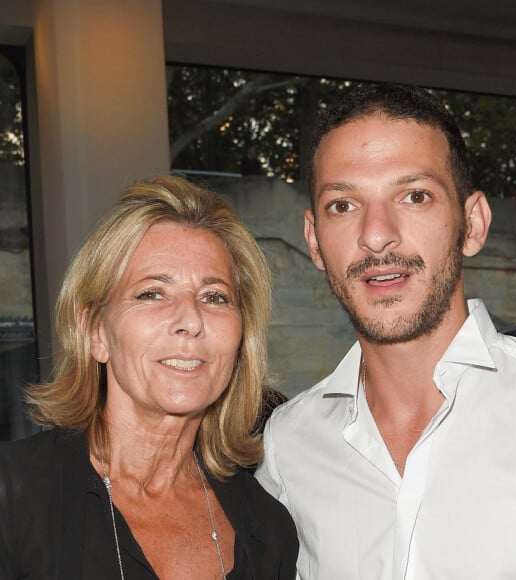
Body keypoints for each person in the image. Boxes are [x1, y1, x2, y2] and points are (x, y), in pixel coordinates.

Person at [255, 83, 516, 579]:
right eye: (343, 205)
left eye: (414, 196)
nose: (376, 234)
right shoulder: (289, 445)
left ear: (472, 224)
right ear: (314, 241)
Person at [0, 175, 298, 579]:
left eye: (214, 297)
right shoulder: (14, 498)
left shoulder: (269, 528)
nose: (190, 320)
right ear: (96, 333)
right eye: (152, 293)